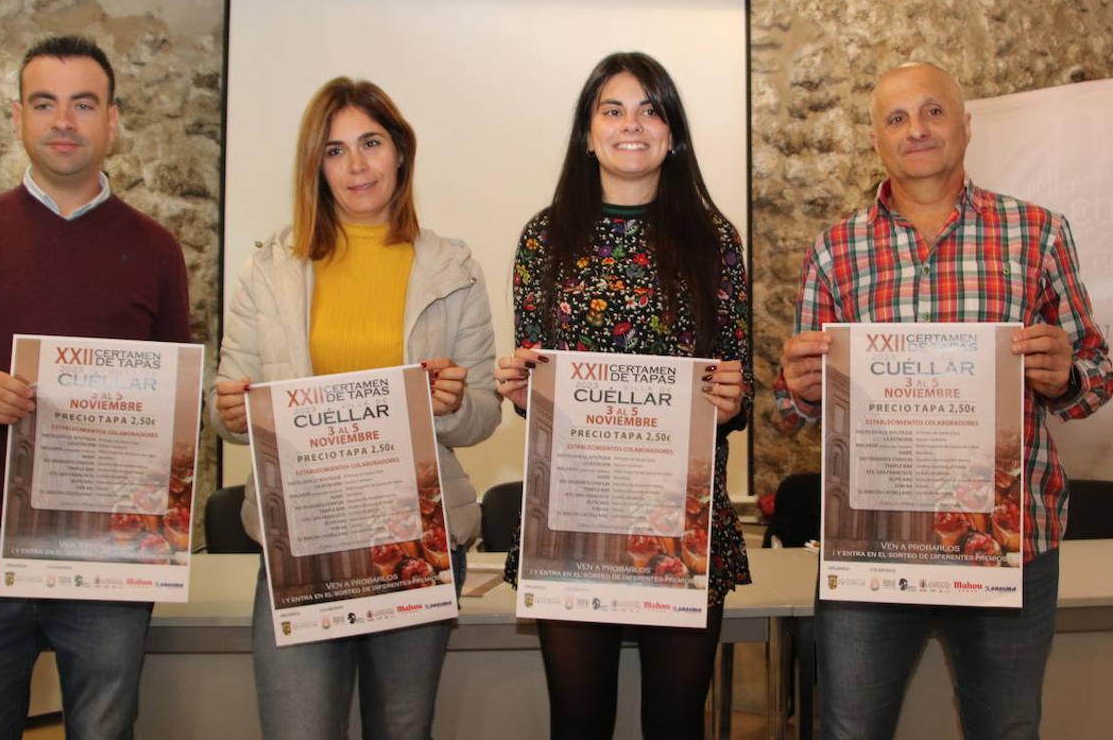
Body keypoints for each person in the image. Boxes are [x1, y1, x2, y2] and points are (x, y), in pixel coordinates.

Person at [774, 62, 1112, 740]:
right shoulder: (836, 251)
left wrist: (1064, 374)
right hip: (874, 546)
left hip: (1009, 542)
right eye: (896, 118)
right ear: (876, 139)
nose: (917, 130)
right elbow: (797, 412)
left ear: (964, 125)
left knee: (1008, 728)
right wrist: (800, 387)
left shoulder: (1038, 233)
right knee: (850, 729)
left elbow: (1096, 375)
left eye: (932, 112)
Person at [0, 36, 191, 739]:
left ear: (112, 121)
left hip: (108, 551)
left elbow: (173, 411)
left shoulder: (156, 249)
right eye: (45, 103)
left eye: (83, 103)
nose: (63, 120)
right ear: (17, 117)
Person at [211, 77, 500, 740]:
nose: (357, 165)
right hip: (302, 537)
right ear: (317, 166)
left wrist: (451, 406)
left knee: (401, 729)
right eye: (335, 151)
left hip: (415, 537)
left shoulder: (452, 268)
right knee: (298, 728)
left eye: (370, 143)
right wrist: (229, 410)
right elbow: (230, 407)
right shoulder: (270, 269)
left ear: (400, 151)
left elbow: (484, 411)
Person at [493, 51, 752, 740]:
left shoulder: (715, 241)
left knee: (675, 725)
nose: (632, 124)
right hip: (574, 519)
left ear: (674, 132)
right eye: (613, 109)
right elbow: (537, 389)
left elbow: (737, 389)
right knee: (578, 724)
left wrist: (732, 397)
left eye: (651, 109)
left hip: (681, 521)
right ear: (587, 132)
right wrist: (521, 388)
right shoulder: (543, 239)